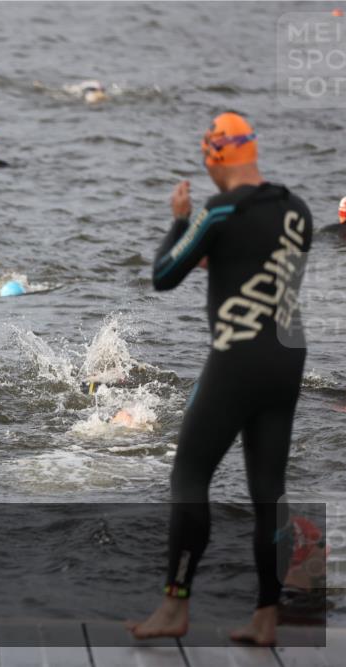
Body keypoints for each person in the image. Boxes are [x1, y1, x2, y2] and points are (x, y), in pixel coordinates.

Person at [127, 112, 313, 646]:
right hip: (288, 360)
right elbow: (269, 270)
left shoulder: (219, 209)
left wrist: (181, 222)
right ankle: (266, 617)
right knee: (269, 493)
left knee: (188, 477)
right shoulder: (297, 208)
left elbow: (164, 275)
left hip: (236, 361)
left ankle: (174, 607)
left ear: (214, 156)